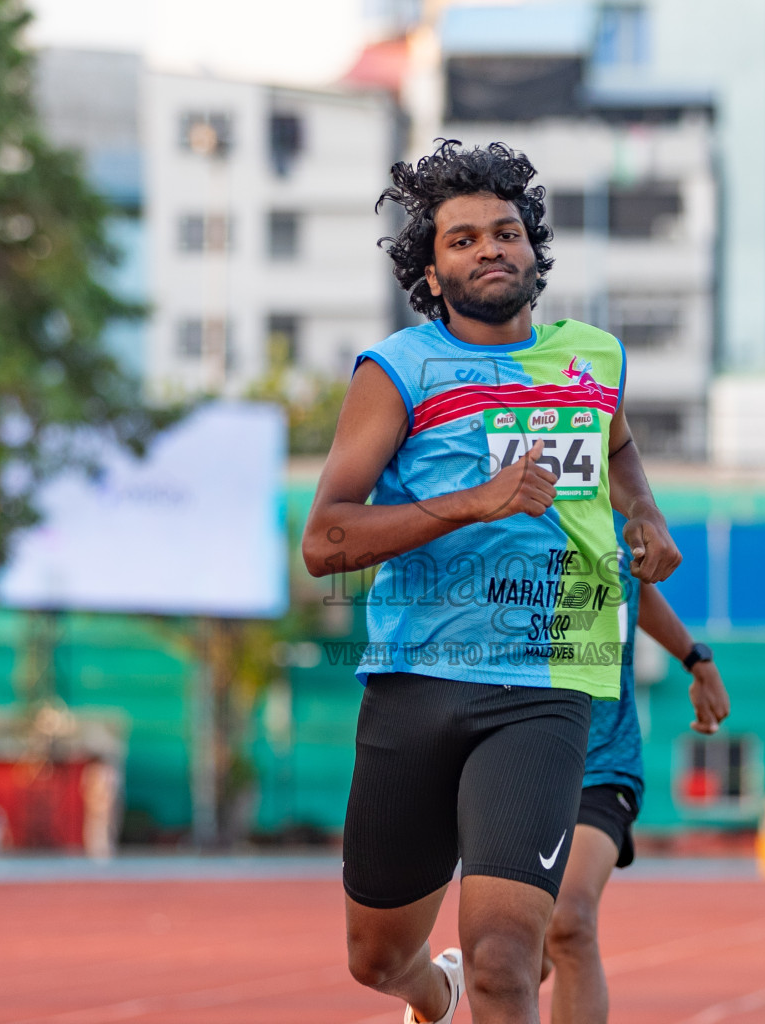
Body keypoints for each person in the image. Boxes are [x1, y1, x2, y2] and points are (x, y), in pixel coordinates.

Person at [302, 140, 681, 1024]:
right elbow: (324, 541)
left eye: (506, 233)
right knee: (377, 957)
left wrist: (647, 515)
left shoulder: (592, 359)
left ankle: (473, 981)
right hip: (418, 680)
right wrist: (474, 502)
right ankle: (431, 995)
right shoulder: (397, 372)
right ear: (430, 271)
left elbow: (618, 449)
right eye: (463, 240)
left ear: (534, 248)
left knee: (510, 958)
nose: (490, 250)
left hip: (547, 684)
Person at [542, 514, 730, 1024]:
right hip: (517, 758)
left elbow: (634, 590)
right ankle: (437, 988)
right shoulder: (499, 519)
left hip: (603, 760)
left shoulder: (612, 524)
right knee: (515, 948)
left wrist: (695, 658)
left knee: (568, 922)